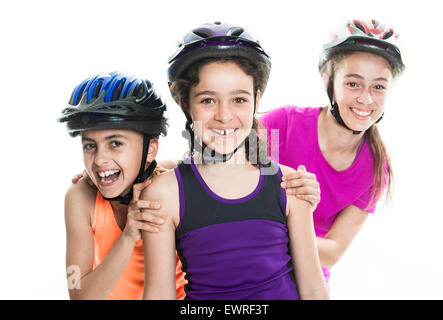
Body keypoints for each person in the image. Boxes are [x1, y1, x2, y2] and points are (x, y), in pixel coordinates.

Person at [141, 22, 329, 300]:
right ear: (185, 104)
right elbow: (158, 293)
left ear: (256, 99)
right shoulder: (164, 195)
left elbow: (314, 290)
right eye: (207, 100)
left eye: (239, 99)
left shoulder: (290, 185)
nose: (224, 115)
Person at [259, 19, 405, 287]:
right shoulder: (282, 124)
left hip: (305, 281)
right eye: (353, 83)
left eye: (379, 86)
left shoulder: (376, 169)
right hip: (248, 262)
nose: (366, 99)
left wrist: (263, 232)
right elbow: (218, 170)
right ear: (329, 82)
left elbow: (332, 252)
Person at [58, 71, 186, 299]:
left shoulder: (173, 185)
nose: (99, 160)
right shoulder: (80, 198)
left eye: (115, 143)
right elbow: (78, 295)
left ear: (151, 149)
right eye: (90, 146)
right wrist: (129, 235)